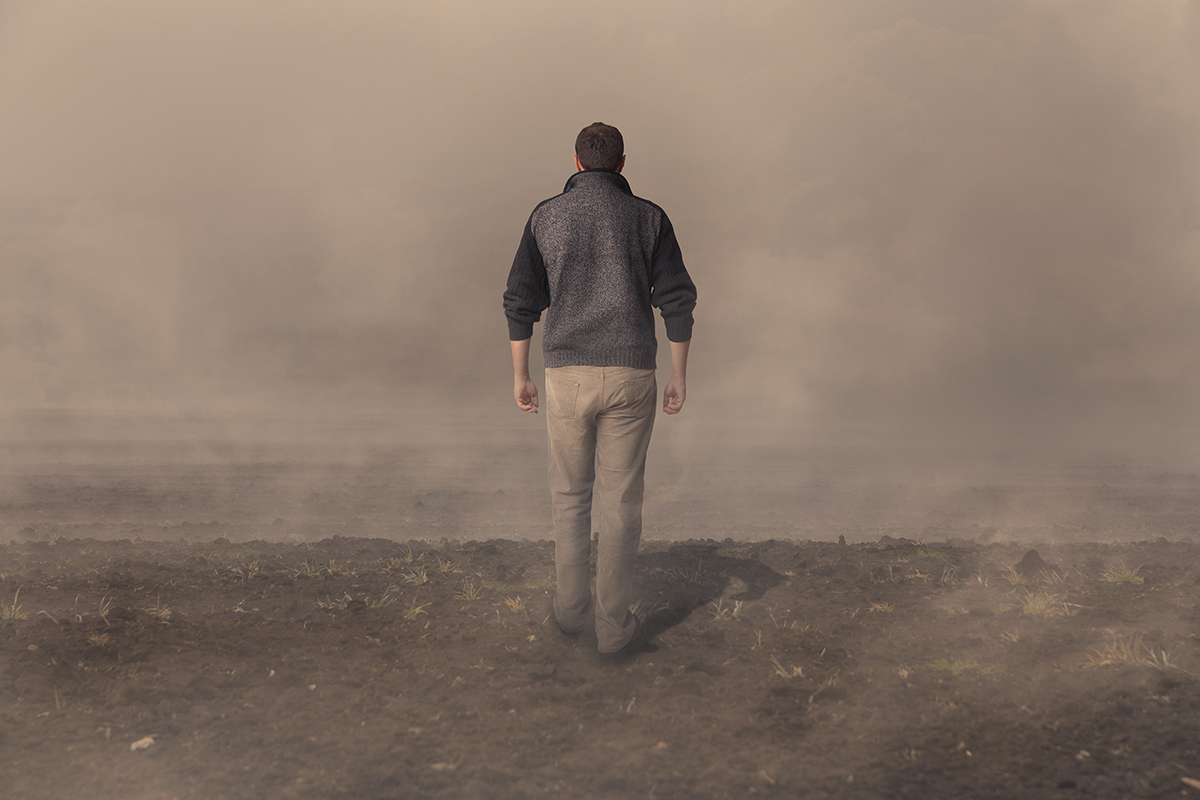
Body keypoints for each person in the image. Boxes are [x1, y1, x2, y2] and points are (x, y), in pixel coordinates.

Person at [503, 122, 697, 656]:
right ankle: (613, 630)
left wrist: (521, 375)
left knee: (570, 497)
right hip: (633, 374)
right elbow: (677, 300)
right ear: (622, 162)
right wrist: (679, 375)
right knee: (621, 502)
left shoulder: (546, 216)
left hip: (567, 375)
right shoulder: (650, 217)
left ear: (576, 161)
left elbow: (521, 302)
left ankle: (570, 614)